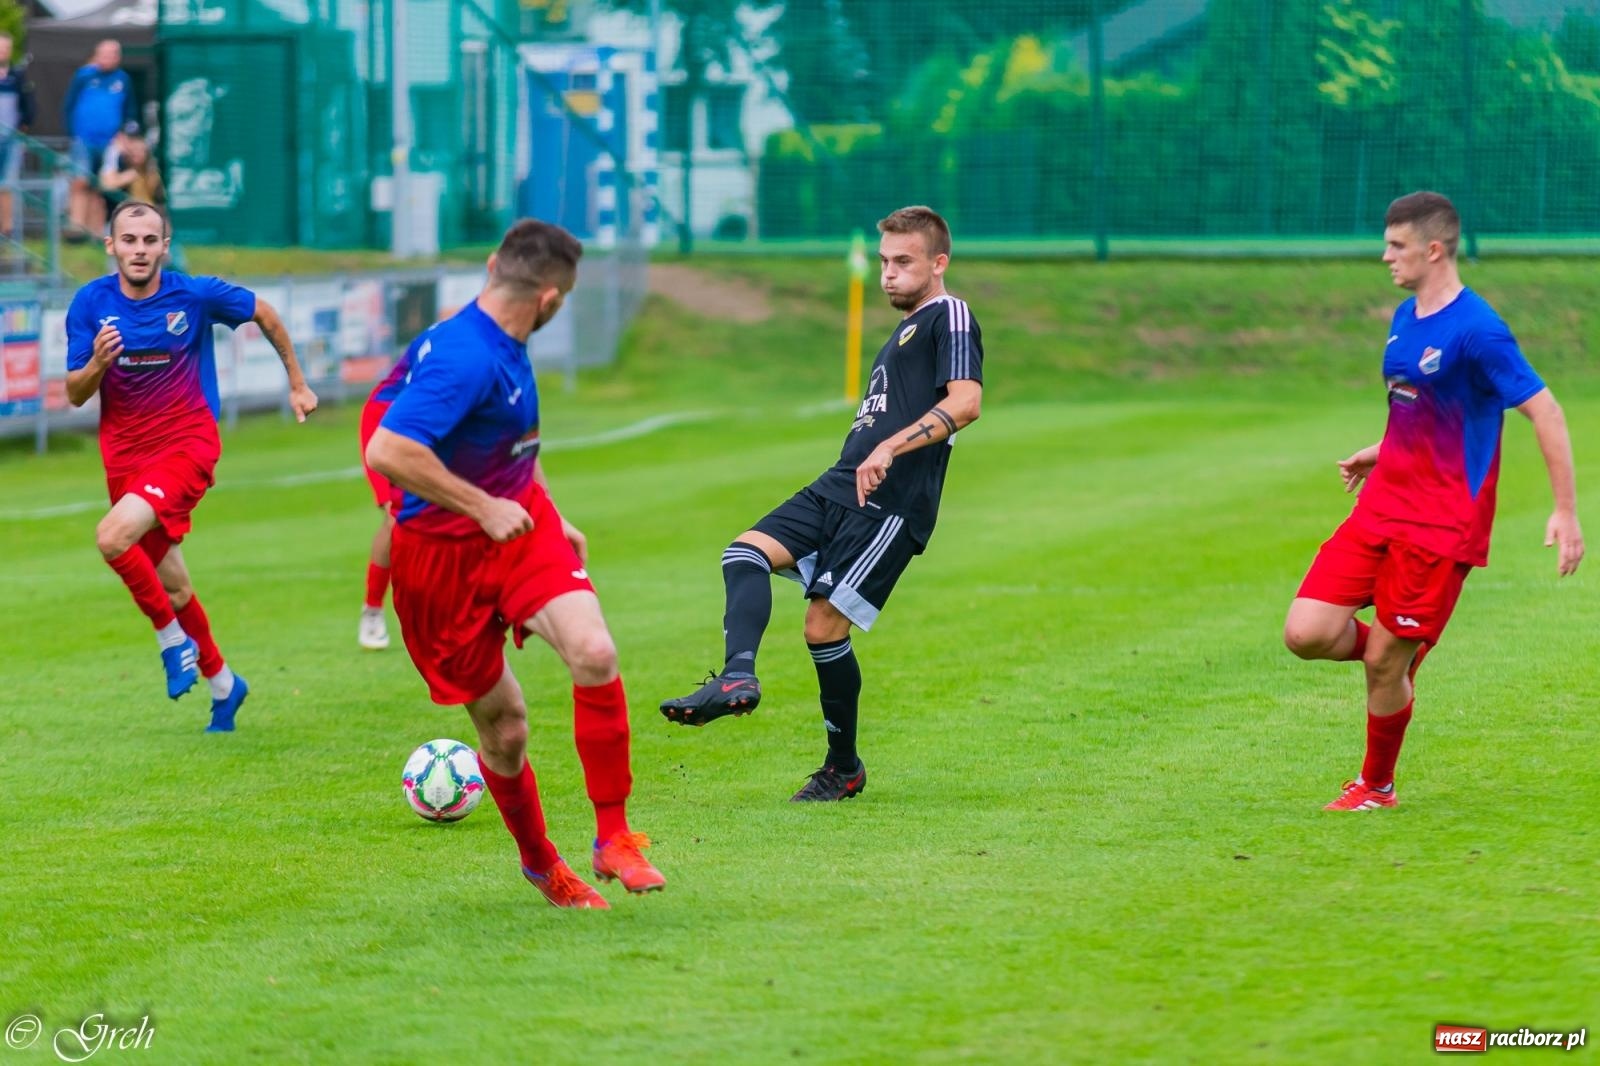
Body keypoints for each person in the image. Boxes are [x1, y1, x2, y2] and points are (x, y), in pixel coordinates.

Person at [366, 219, 664, 909]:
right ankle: (542, 865)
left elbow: (511, 442)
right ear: (554, 299)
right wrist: (480, 506)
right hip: (439, 563)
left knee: (593, 649)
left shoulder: (505, 335)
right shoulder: (464, 356)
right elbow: (389, 450)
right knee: (505, 731)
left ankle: (613, 836)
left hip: (521, 528)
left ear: (496, 265)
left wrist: (552, 512)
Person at [659, 205, 985, 802]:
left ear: (939, 263)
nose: (888, 274)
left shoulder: (950, 315)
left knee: (821, 628)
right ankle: (737, 677)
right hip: (840, 483)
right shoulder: (904, 327)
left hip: (891, 504)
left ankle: (843, 769)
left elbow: (966, 402)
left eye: (903, 262)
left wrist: (889, 445)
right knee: (745, 553)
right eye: (884, 261)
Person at [1283, 191, 1583, 811]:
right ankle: (1395, 661)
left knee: (1383, 665)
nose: (1385, 256)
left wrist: (1566, 510)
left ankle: (1377, 785)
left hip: (1441, 524)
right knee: (1306, 632)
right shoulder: (1404, 316)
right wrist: (1381, 447)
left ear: (1434, 248)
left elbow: (1545, 411)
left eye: (1396, 245)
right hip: (1383, 506)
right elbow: (1416, 402)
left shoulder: (1479, 331)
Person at [64, 200, 319, 731]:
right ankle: (225, 685)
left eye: (149, 240)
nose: (139, 250)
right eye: (128, 240)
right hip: (125, 460)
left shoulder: (194, 294)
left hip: (187, 446)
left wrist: (297, 382)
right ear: (111, 246)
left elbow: (264, 313)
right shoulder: (89, 304)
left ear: (164, 245)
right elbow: (74, 394)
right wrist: (97, 363)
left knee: (112, 538)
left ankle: (171, 642)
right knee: (174, 585)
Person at [63, 39, 136, 240]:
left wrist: (124, 135)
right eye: (104, 54)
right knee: (80, 181)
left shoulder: (123, 80)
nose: (108, 58)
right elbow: (69, 106)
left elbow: (130, 112)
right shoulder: (84, 76)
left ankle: (97, 231)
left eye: (112, 54)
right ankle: (76, 226)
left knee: (103, 185)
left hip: (109, 142)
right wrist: (72, 134)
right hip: (84, 139)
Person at [0, 33, 36, 239]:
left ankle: (7, 228)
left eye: (6, 48)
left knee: (7, 184)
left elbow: (28, 106)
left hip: (10, 137)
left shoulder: (17, 76)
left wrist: (23, 128)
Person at [99, 124, 166, 207]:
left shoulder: (152, 167)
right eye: (129, 140)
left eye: (136, 139)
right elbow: (106, 185)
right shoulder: (117, 157)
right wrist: (130, 175)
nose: (134, 145)